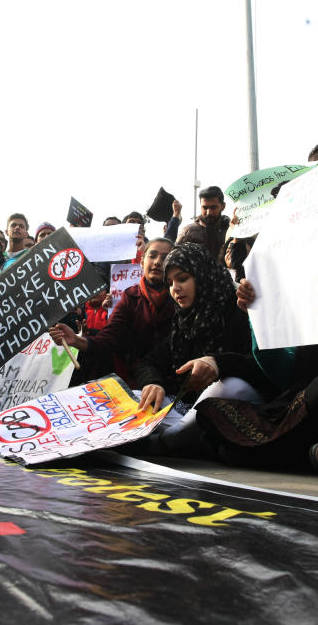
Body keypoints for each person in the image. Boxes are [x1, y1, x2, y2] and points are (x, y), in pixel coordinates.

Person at [132, 243, 274, 456]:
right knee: (134, 397)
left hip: (241, 407)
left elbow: (262, 365)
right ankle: (191, 438)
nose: (175, 289)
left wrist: (217, 363)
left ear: (202, 275)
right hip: (191, 411)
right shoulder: (183, 323)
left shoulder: (239, 309)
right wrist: (153, 383)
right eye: (169, 283)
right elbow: (149, 362)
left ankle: (167, 441)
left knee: (229, 387)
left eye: (182, 279)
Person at [49, 238, 176, 386]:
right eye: (152, 256)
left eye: (165, 257)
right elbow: (109, 337)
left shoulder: (181, 297)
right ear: (142, 262)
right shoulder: (130, 297)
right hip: (137, 382)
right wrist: (76, 340)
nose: (157, 262)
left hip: (176, 379)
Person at [194, 186, 230, 262]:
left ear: (223, 206)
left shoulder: (231, 231)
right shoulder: (189, 233)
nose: (208, 212)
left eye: (213, 207)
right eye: (205, 208)